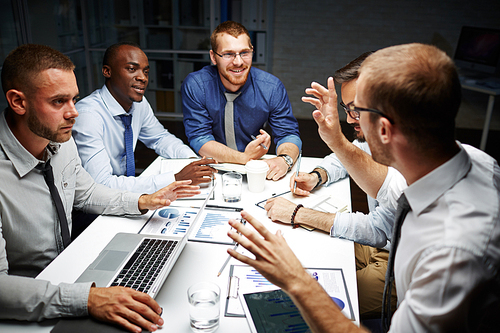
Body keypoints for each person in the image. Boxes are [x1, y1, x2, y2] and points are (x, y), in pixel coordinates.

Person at [226, 43, 500, 332]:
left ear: (383, 129)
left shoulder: (451, 254)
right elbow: (385, 216)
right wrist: (333, 142)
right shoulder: (467, 161)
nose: (349, 120)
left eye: (357, 111)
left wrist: (297, 282)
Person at [0, 44, 200, 333]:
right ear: (18, 102)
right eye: (58, 102)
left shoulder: (61, 142)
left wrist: (145, 200)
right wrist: (88, 299)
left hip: (73, 274)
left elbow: (89, 193)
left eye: (74, 99)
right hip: (33, 305)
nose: (74, 113)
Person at [264, 52, 402, 319]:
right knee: (312, 252)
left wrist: (298, 213)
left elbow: (376, 229)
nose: (349, 119)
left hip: (398, 266)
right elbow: (350, 155)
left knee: (307, 302)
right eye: (346, 109)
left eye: (354, 109)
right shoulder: (377, 139)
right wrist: (317, 175)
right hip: (382, 243)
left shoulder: (407, 159)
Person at [73, 42, 215, 194]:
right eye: (132, 69)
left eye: (146, 71)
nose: (143, 78)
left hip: (125, 197)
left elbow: (160, 138)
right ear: (107, 71)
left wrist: (193, 162)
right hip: (94, 209)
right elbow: (101, 185)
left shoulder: (138, 104)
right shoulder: (88, 116)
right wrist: (175, 178)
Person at [182, 21, 302, 180]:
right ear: (213, 57)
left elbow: (288, 134)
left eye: (244, 52)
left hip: (256, 170)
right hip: (211, 168)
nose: (238, 62)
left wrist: (284, 160)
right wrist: (243, 158)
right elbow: (199, 138)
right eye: (228, 54)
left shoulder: (271, 87)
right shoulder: (197, 85)